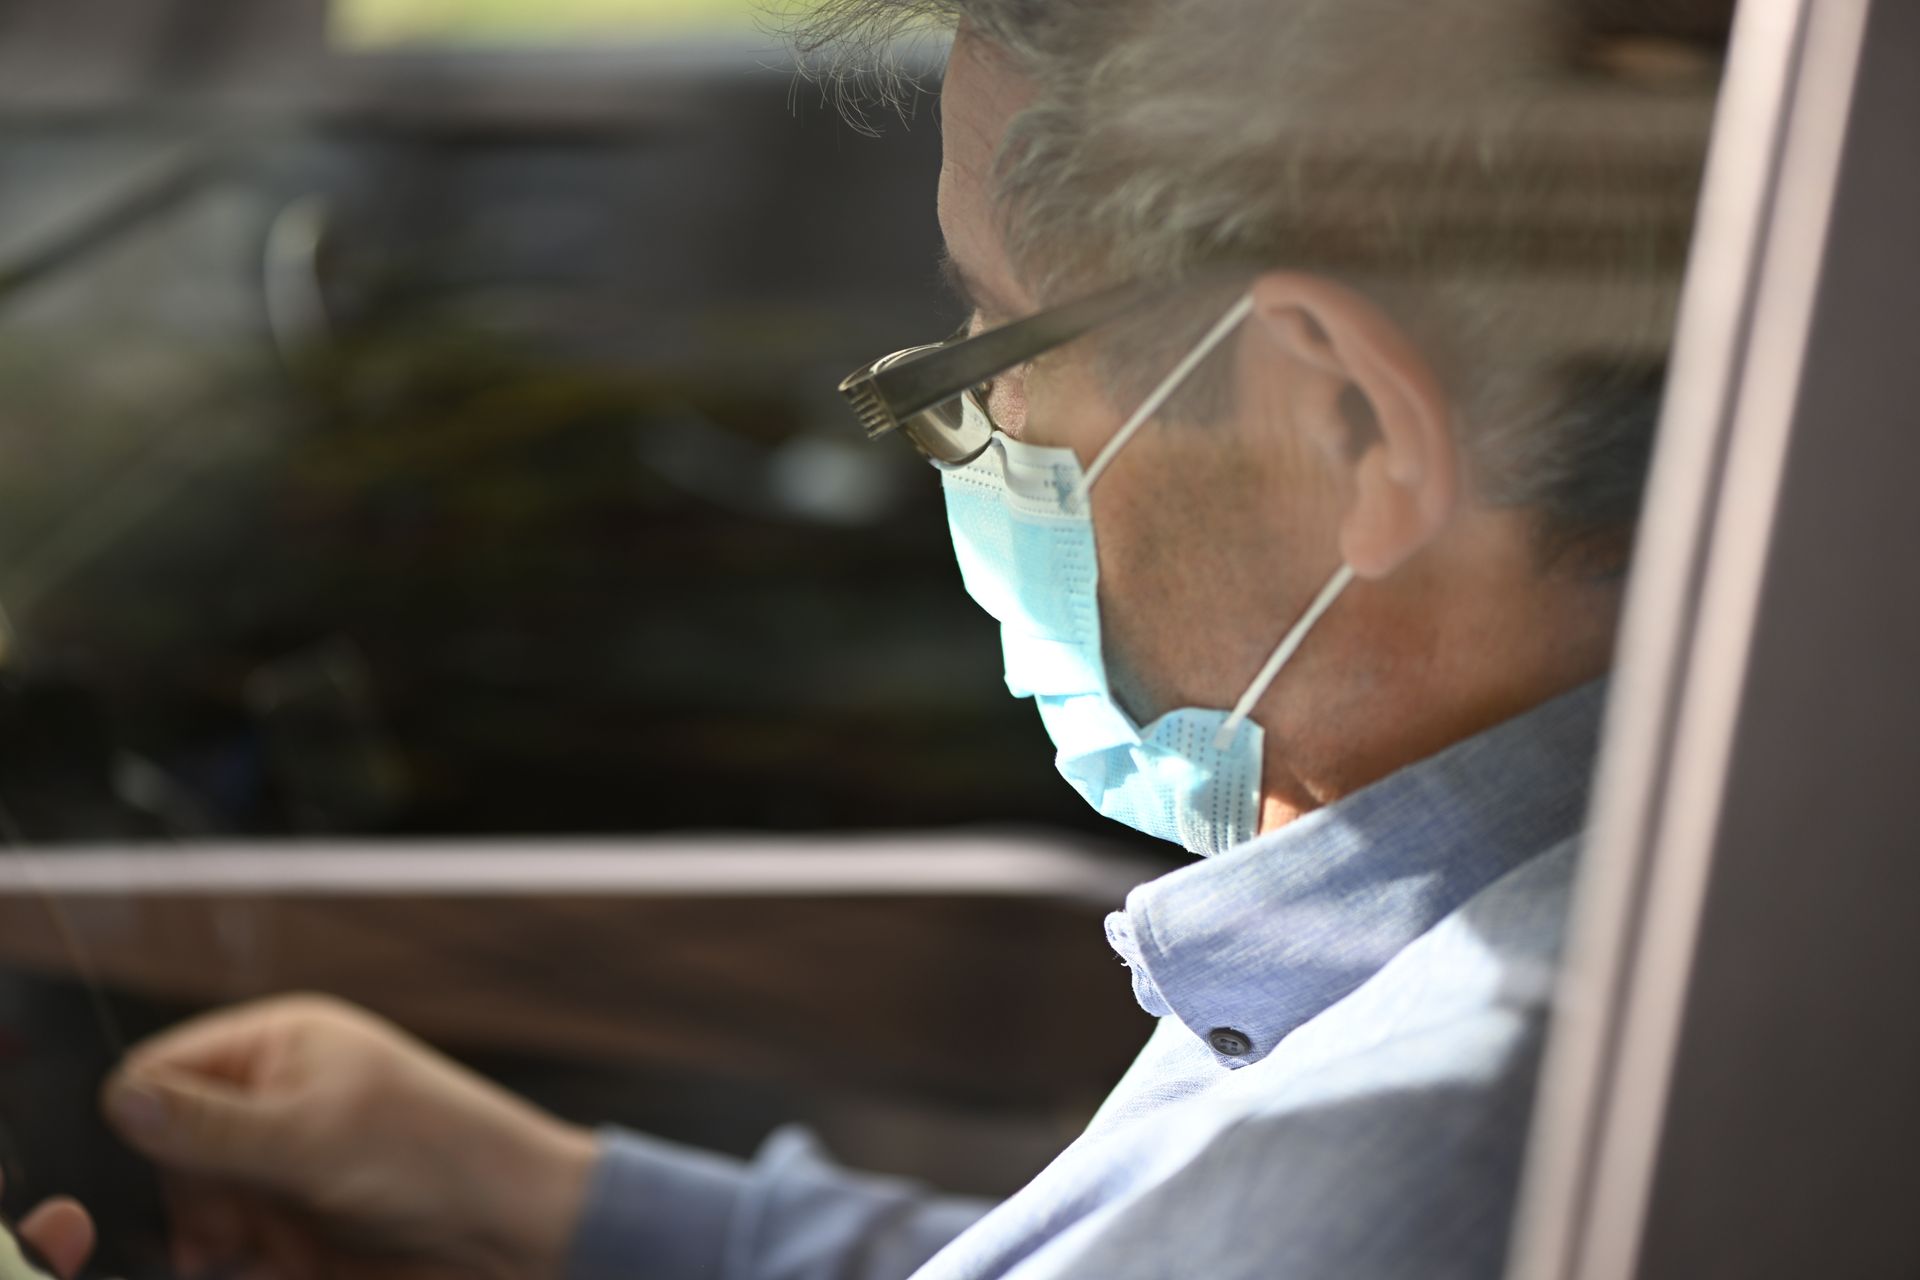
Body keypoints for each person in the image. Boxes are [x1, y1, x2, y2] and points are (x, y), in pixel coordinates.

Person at [18, 2, 1711, 1278]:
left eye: (990, 335)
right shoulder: (1645, 892)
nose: (978, 423)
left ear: (1345, 424)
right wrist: (575, 1206)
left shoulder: (1411, 1165)